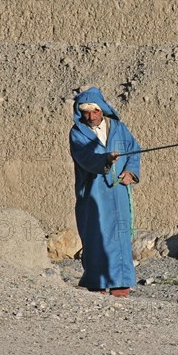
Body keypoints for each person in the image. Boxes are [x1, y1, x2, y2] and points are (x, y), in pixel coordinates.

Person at [69, 87, 141, 297]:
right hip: (94, 194)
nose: (91, 117)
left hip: (118, 192)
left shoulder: (119, 128)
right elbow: (85, 157)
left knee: (120, 235)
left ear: (102, 111)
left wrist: (130, 172)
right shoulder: (77, 133)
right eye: (86, 113)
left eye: (95, 112)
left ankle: (121, 284)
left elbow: (134, 150)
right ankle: (97, 283)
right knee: (96, 236)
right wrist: (105, 160)